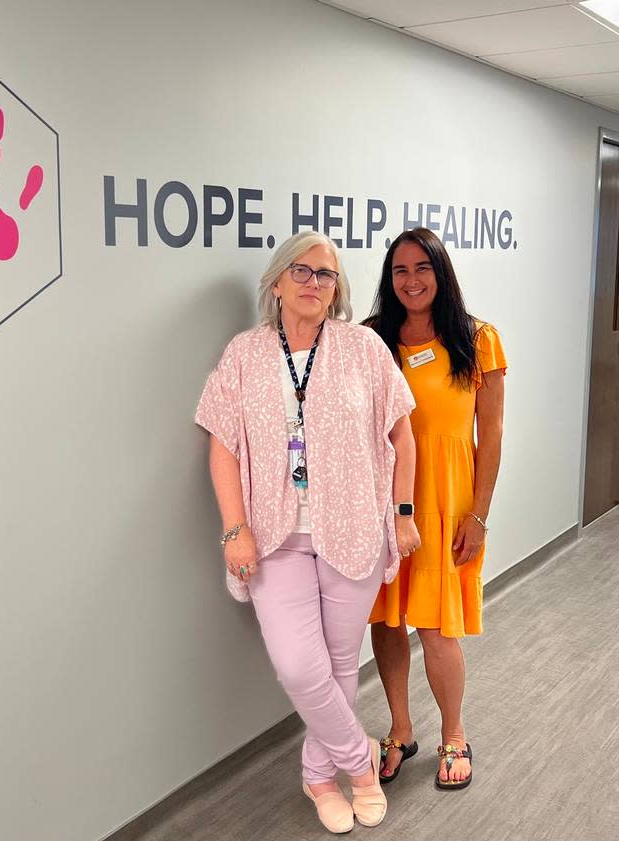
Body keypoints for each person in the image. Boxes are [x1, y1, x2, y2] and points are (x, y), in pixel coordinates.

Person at [195, 230, 419, 833]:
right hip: (273, 536)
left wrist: (402, 515)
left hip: (352, 529)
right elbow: (221, 449)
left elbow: (403, 437)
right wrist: (233, 529)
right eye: (303, 270)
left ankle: (319, 777)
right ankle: (360, 763)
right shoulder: (243, 353)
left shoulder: (364, 348)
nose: (315, 283)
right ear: (276, 280)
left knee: (340, 663)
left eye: (327, 274)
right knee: (299, 666)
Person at [365, 227, 507, 791]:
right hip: (385, 505)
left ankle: (454, 734)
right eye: (400, 271)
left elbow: (490, 438)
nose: (411, 281)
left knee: (435, 628)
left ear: (441, 272)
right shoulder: (372, 339)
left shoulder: (477, 339)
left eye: (422, 268)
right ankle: (400, 730)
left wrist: (478, 514)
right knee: (386, 621)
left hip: (446, 504)